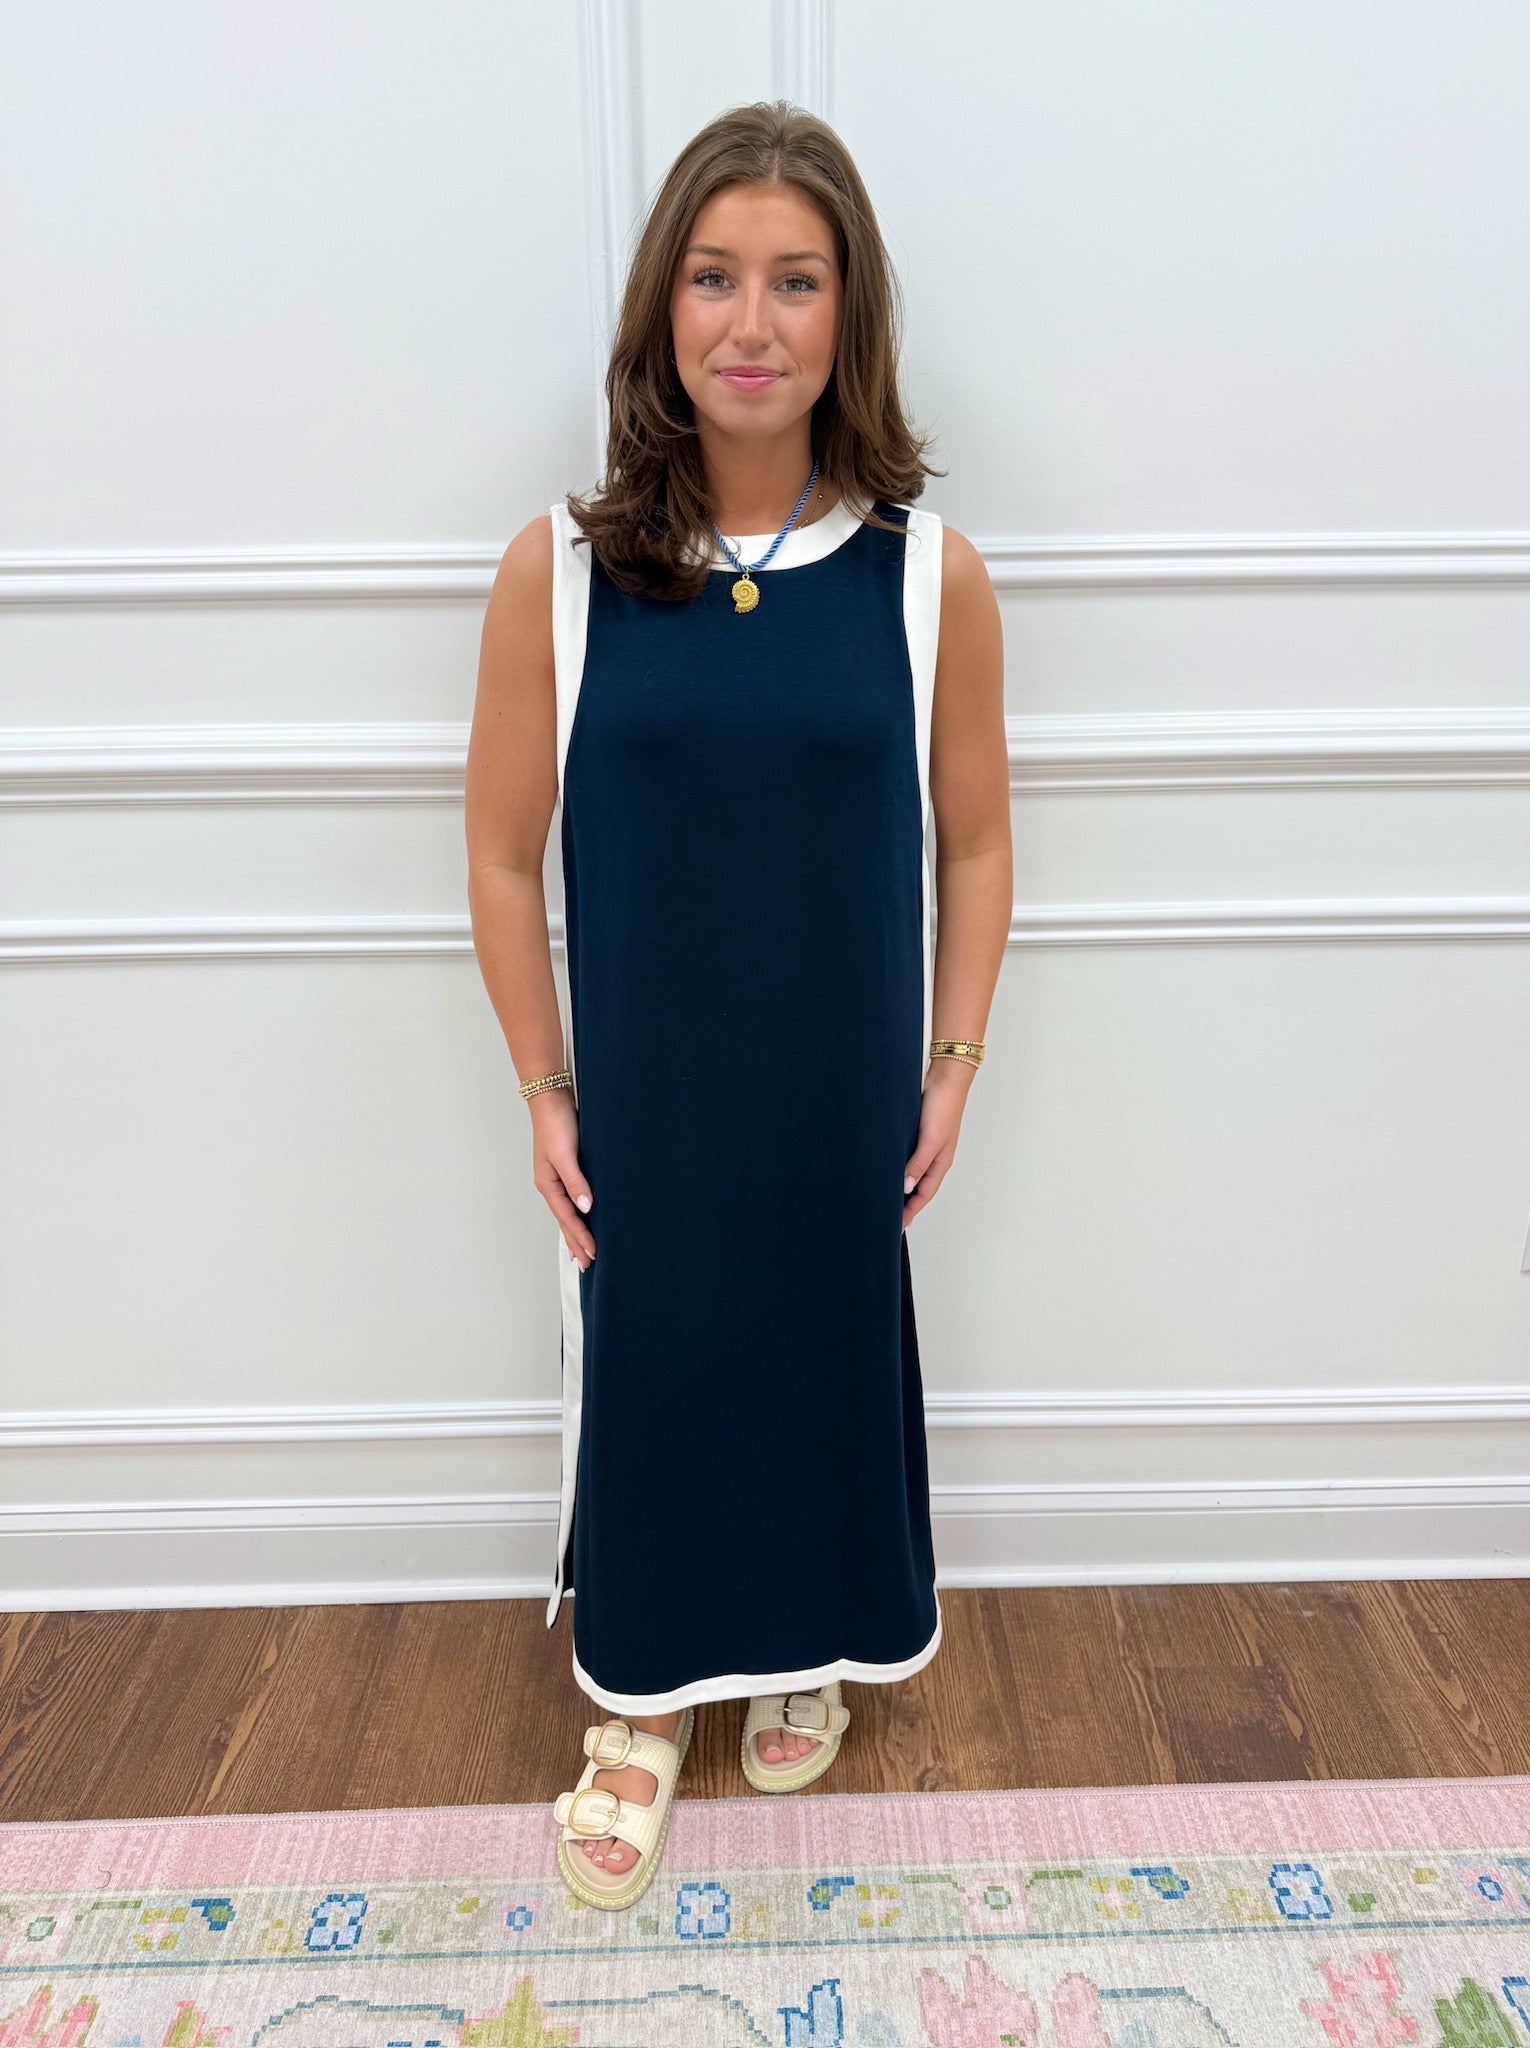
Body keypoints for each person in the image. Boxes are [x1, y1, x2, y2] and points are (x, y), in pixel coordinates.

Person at [465, 99, 1010, 1911]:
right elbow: (499, 855)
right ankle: (636, 1700)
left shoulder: (929, 579)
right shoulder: (559, 573)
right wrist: (545, 1087)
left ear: (851, 315)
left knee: (815, 1358)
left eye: (795, 281)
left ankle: (802, 1644)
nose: (751, 323)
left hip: (837, 1097)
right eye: (713, 279)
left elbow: (978, 841)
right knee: (658, 1362)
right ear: (663, 308)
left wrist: (952, 1061)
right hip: (648, 1098)